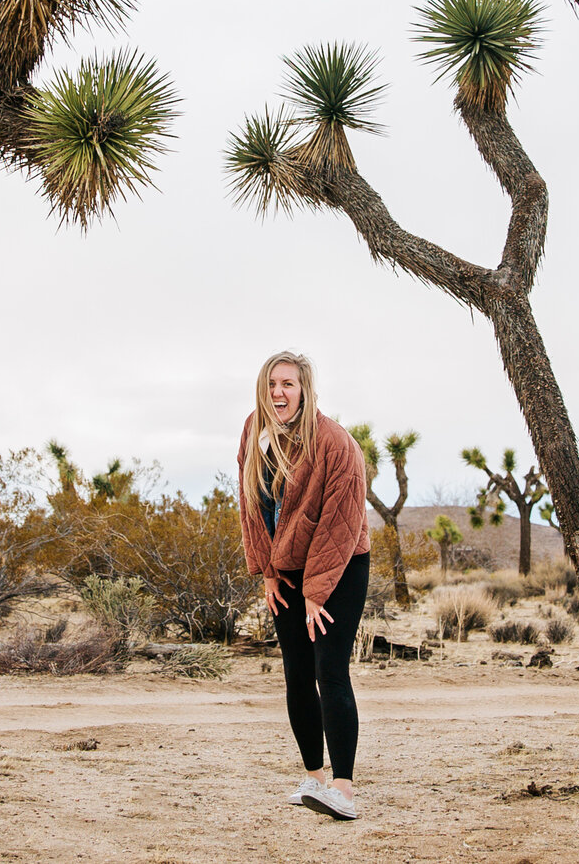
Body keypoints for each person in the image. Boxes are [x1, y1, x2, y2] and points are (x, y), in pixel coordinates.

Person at [237, 349, 371, 820]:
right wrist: (268, 572)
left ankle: (344, 790)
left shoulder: (335, 443)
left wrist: (316, 591)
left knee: (329, 669)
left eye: (288, 384)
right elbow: (251, 503)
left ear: (305, 389)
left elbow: (341, 523)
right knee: (296, 671)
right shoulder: (255, 430)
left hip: (341, 565)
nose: (278, 393)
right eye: (272, 383)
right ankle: (314, 778)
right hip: (288, 568)